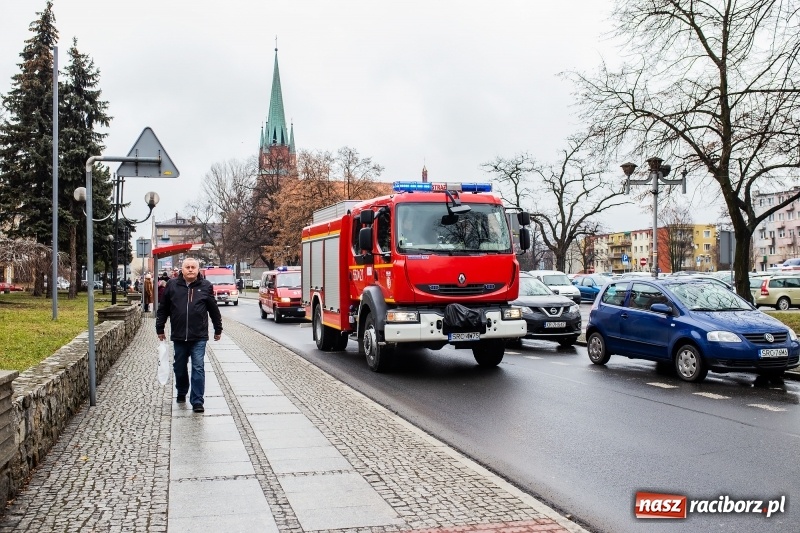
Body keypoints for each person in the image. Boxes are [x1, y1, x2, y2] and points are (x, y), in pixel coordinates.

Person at [156, 257, 223, 413]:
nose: (191, 269)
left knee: (198, 367)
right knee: (179, 367)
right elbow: (163, 308)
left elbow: (213, 309)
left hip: (198, 335)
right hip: (179, 335)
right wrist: (160, 328)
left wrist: (218, 329)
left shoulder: (205, 286)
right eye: (188, 267)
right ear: (182, 269)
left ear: (198, 269)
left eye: (194, 267)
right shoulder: (172, 285)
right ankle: (181, 390)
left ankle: (197, 401)